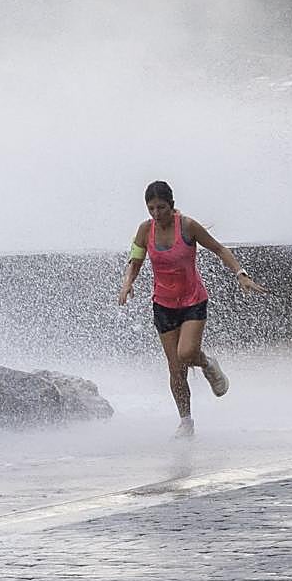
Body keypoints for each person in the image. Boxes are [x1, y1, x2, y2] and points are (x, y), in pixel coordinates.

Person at [118, 180, 267, 438]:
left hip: (192, 300)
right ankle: (186, 422)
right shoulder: (145, 230)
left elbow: (219, 248)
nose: (156, 214)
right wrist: (127, 283)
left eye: (161, 208)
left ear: (171, 205)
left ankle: (208, 364)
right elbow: (135, 260)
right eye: (151, 208)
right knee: (176, 367)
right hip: (163, 304)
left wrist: (241, 274)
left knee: (187, 353)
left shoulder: (187, 226)